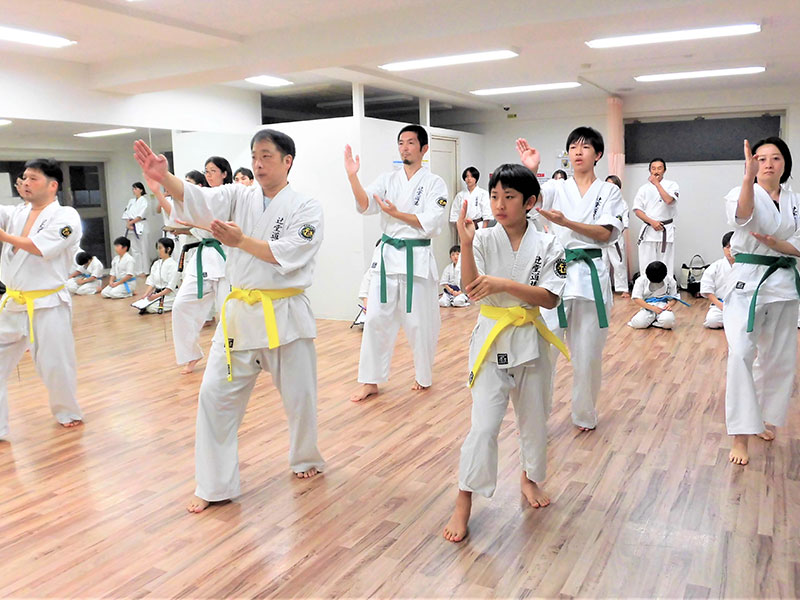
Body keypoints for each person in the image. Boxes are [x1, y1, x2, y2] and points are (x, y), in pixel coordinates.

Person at [134, 128, 326, 513]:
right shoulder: (239, 195)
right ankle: (214, 484)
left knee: (300, 398)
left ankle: (305, 456)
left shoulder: (307, 207)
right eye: (254, 156)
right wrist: (164, 177)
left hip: (285, 315)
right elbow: (201, 202)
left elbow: (292, 251)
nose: (258, 163)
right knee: (214, 396)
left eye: (267, 156)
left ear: (287, 161)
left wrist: (241, 242)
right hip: (239, 317)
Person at [442, 164, 567, 543]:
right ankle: (464, 499)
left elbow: (550, 297)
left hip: (531, 337)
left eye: (509, 197)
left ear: (529, 202)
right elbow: (470, 288)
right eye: (495, 196)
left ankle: (529, 478)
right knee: (483, 426)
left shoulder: (549, 244)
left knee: (534, 418)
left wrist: (505, 285)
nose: (499, 204)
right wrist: (465, 244)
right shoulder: (481, 238)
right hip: (492, 338)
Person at [516, 127, 626, 432]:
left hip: (590, 275)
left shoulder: (609, 192)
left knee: (588, 354)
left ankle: (584, 414)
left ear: (598, 154)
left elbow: (605, 233)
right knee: (543, 351)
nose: (578, 152)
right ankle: (537, 416)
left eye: (585, 147)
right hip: (557, 273)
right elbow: (530, 200)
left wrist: (567, 223)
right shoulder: (555, 187)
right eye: (573, 147)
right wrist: (531, 170)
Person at [344, 125, 448, 402]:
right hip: (387, 259)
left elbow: (432, 222)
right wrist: (353, 177)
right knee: (375, 320)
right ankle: (370, 381)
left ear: (424, 149)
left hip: (417, 260)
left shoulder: (435, 183)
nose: (404, 147)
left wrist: (397, 214)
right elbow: (365, 204)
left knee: (420, 323)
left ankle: (423, 376)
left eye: (410, 142)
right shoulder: (387, 180)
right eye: (401, 142)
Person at [722, 137, 800, 466]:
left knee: (777, 358)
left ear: (785, 164)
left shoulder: (796, 201)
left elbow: (797, 246)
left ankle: (761, 420)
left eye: (775, 158)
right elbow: (742, 217)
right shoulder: (742, 191)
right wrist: (747, 178)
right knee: (741, 353)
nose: (768, 163)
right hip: (747, 282)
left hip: (783, 283)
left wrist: (778, 245)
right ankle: (740, 435)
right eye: (761, 158)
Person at [0, 158, 83, 437]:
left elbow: (39, 247)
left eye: (33, 178)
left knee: (55, 364)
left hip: (48, 304)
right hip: (14, 303)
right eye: (24, 178)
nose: (26, 183)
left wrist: (4, 237)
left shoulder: (66, 216)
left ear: (52, 185)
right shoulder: (16, 213)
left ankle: (67, 411)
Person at [170, 160, 230, 374]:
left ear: (224, 173)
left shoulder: (231, 197)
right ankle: (190, 354)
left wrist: (192, 224)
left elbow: (216, 227)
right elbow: (183, 220)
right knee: (180, 305)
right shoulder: (201, 199)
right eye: (207, 172)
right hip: (203, 258)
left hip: (227, 259)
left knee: (228, 312)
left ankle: (231, 355)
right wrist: (158, 192)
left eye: (213, 171)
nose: (209, 174)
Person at [633, 158, 680, 279]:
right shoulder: (643, 189)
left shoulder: (672, 185)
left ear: (664, 170)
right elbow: (637, 210)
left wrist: (657, 184)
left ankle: (667, 288)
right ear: (649, 170)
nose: (656, 171)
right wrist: (652, 222)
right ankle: (646, 288)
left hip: (665, 229)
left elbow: (669, 200)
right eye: (653, 168)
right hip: (649, 229)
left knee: (666, 265)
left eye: (659, 168)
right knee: (646, 264)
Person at [627, 261, 686, 329]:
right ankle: (652, 319)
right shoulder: (641, 280)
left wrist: (669, 305)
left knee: (669, 322)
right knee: (638, 323)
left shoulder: (670, 280)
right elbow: (636, 298)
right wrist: (652, 308)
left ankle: (656, 322)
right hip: (647, 306)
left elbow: (674, 297)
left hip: (663, 306)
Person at [602, 175, 630, 297]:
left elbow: (624, 223)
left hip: (615, 239)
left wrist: (614, 233)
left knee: (618, 263)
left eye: (613, 185)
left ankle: (623, 289)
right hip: (601, 237)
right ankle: (603, 289)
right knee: (602, 263)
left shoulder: (622, 204)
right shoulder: (600, 202)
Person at [135, 237, 179, 314]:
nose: (158, 251)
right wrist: (146, 294)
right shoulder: (156, 263)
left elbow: (170, 287)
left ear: (168, 249)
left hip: (169, 295)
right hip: (157, 293)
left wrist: (156, 296)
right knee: (144, 304)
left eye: (160, 248)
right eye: (157, 248)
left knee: (150, 307)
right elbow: (151, 281)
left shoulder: (174, 265)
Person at [700, 231, 734, 329]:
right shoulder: (716, 266)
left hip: (741, 304)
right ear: (723, 249)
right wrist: (720, 305)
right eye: (727, 247)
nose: (730, 250)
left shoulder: (746, 266)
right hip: (720, 304)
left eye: (733, 247)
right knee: (712, 320)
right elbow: (707, 289)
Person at [449, 167, 490, 244]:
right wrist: (460, 230)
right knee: (465, 247)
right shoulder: (460, 195)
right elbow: (455, 214)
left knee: (478, 247)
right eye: (467, 176)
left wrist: (483, 230)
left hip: (478, 226)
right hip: (464, 226)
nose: (469, 179)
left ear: (476, 178)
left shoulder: (483, 193)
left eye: (471, 176)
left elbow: (487, 214)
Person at [121, 181, 150, 276]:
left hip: (141, 225)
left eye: (136, 188)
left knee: (143, 249)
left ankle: (145, 271)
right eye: (133, 189)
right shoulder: (131, 201)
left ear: (141, 190)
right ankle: (138, 270)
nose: (134, 190)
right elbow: (126, 213)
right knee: (135, 249)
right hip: (131, 227)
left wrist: (131, 222)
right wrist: (128, 223)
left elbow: (141, 215)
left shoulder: (144, 201)